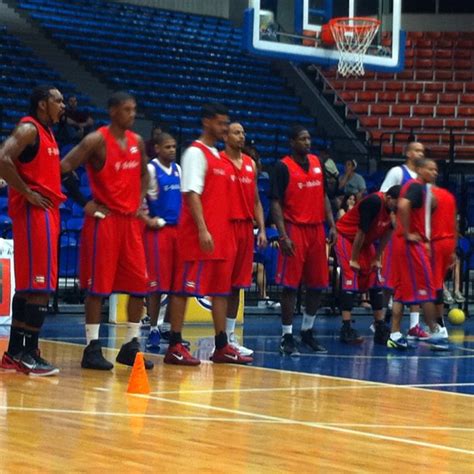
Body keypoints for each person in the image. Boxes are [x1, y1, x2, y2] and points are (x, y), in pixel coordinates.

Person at [61, 91, 153, 370]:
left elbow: (145, 174)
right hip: (105, 220)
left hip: (130, 222)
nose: (132, 115)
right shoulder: (96, 140)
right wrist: (84, 202)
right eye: (127, 110)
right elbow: (64, 168)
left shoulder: (137, 142)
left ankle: (131, 345)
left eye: (134, 110)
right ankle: (92, 347)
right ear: (113, 111)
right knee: (98, 288)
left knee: (140, 285)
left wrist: (139, 201)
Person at [164, 103, 253, 366]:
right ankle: (175, 344)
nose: (225, 128)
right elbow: (191, 193)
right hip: (197, 234)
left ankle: (222, 345)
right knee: (183, 288)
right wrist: (202, 229)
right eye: (221, 123)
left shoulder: (217, 155)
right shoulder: (195, 153)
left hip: (219, 235)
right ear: (206, 123)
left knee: (220, 290)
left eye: (227, 124)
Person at [0, 85, 65, 376]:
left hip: (46, 212)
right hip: (34, 213)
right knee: (39, 287)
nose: (63, 105)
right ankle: (29, 354)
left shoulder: (48, 132)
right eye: (58, 100)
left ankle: (14, 352)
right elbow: (2, 158)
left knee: (29, 287)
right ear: (42, 104)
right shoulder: (29, 128)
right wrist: (26, 191)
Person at [271, 125, 337, 356]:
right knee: (290, 285)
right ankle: (286, 335)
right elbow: (276, 203)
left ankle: (307, 331)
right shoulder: (282, 166)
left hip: (317, 228)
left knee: (318, 284)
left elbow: (323, 196)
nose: (307, 142)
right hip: (294, 228)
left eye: (309, 138)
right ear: (292, 142)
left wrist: (331, 224)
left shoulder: (317, 163)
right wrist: (283, 235)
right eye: (302, 138)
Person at [220, 123, 267, 356]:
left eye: (243, 132)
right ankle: (220, 338)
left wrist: (263, 230)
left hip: (246, 228)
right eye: (237, 132)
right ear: (226, 136)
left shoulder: (250, 164)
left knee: (238, 285)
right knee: (222, 284)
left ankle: (230, 336)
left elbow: (257, 200)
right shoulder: (218, 161)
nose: (242, 136)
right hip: (226, 226)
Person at [387, 158, 444, 349]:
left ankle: (394, 334)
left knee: (401, 292)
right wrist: (408, 232)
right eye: (430, 169)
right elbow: (402, 206)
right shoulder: (416, 187)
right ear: (420, 170)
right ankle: (435, 332)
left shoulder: (421, 189)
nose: (434, 173)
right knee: (426, 288)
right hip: (410, 245)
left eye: (436, 170)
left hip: (405, 244)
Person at [335, 187, 400, 345]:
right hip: (347, 237)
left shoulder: (395, 209)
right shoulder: (373, 202)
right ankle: (346, 327)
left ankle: (380, 327)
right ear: (389, 198)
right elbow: (360, 231)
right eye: (396, 204)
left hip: (365, 242)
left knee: (376, 277)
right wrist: (354, 259)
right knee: (350, 275)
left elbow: (387, 234)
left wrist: (377, 258)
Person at [379, 141, 427, 339]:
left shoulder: (423, 178)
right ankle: (380, 319)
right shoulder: (397, 172)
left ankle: (414, 325)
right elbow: (385, 196)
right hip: (398, 236)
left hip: (415, 237)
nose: (419, 153)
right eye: (416, 149)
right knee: (392, 281)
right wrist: (394, 225)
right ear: (407, 152)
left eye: (422, 151)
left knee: (415, 279)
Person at [141, 132, 182, 350]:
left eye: (174, 147)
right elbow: (139, 201)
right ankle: (153, 329)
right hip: (158, 232)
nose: (172, 150)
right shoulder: (150, 169)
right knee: (156, 285)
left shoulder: (178, 170)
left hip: (177, 231)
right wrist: (148, 220)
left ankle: (169, 328)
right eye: (167, 147)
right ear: (157, 148)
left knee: (176, 285)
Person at [430, 184, 457, 339]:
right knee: (436, 283)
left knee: (431, 285)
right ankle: (436, 323)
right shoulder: (448, 195)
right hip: (447, 243)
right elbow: (455, 223)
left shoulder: (428, 196)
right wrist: (453, 250)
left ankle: (438, 325)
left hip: (434, 242)